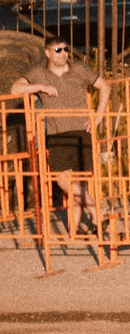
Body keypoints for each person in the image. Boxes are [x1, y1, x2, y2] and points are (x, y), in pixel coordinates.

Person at [11, 38, 102, 233]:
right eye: (58, 50)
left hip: (80, 131)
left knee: (79, 182)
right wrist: (40, 87)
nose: (63, 54)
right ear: (48, 53)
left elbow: (105, 87)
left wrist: (98, 116)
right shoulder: (39, 72)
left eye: (66, 50)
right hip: (57, 134)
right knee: (63, 181)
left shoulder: (79, 69)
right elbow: (15, 88)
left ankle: (75, 229)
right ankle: (96, 211)